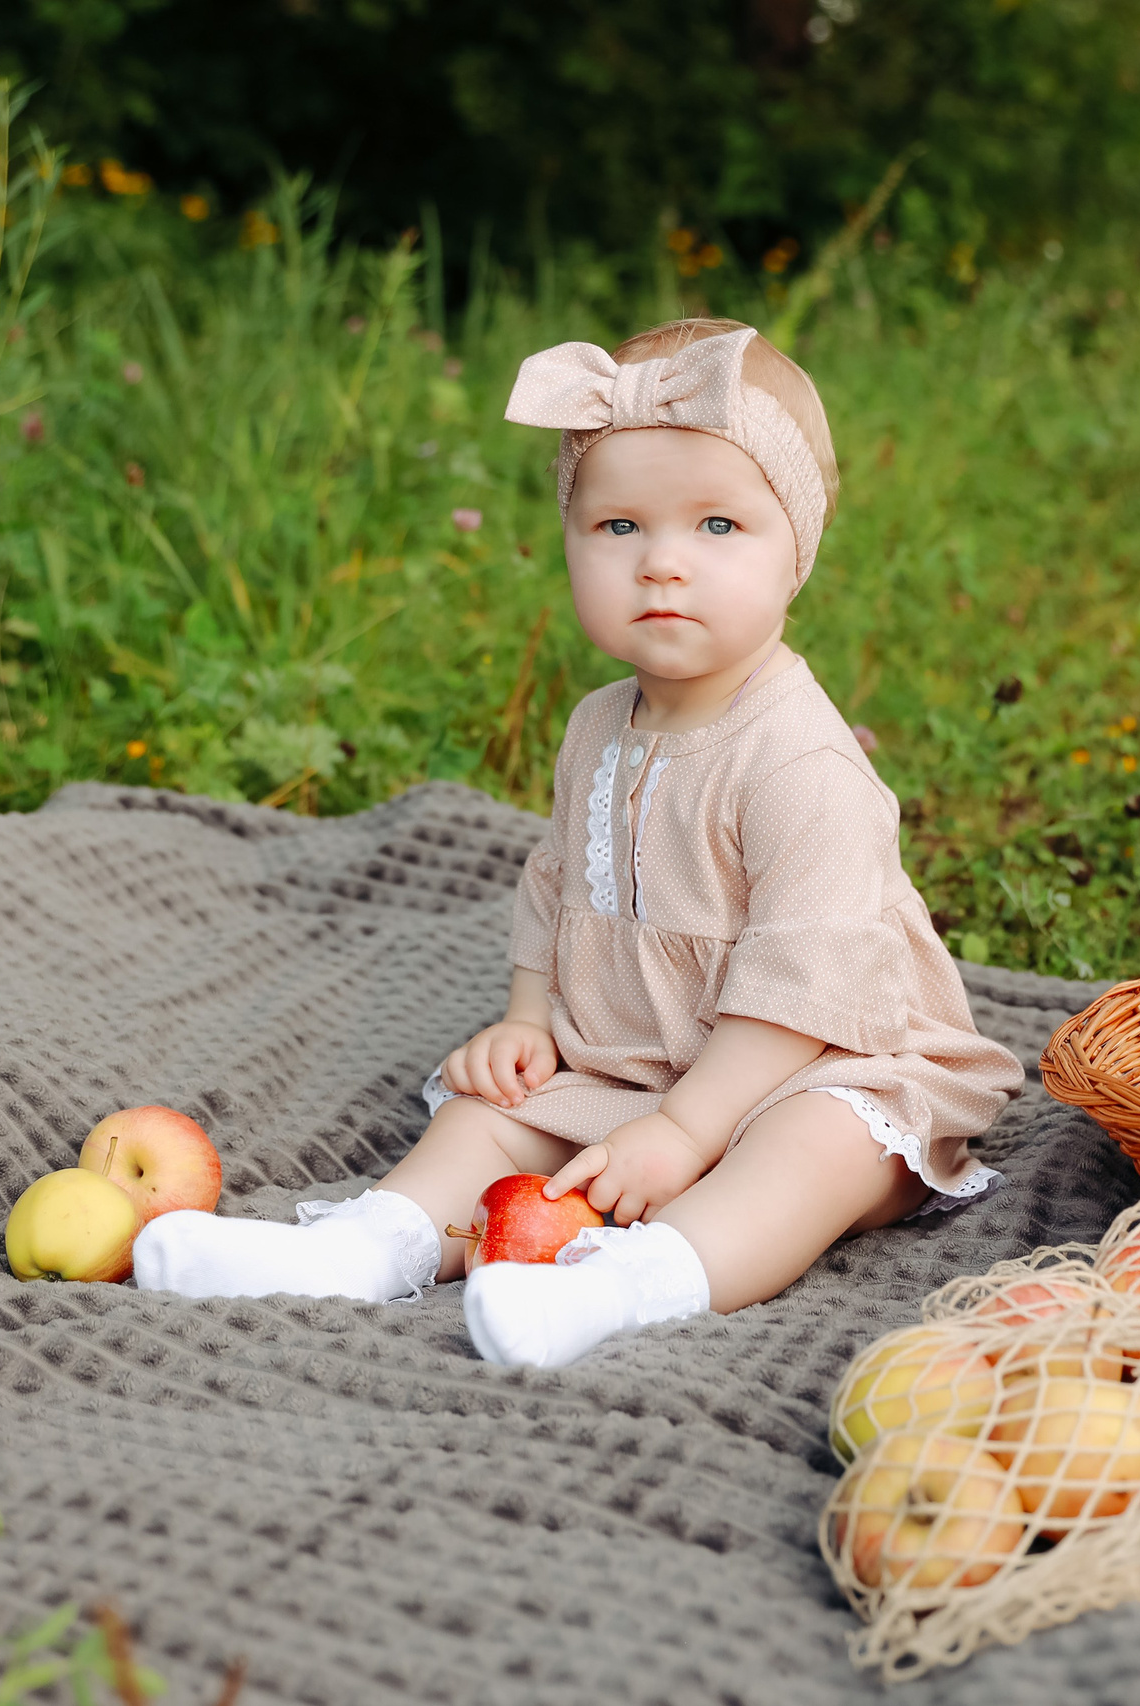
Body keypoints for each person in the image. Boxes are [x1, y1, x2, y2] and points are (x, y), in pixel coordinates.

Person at [133, 319, 1022, 1366]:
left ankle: (629, 1287)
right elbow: (556, 880)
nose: (662, 565)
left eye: (719, 526)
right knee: (485, 1116)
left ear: (797, 556)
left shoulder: (800, 764)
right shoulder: (598, 724)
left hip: (822, 1059)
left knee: (812, 1152)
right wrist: (528, 1019)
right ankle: (366, 1248)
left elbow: (804, 982)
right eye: (617, 527)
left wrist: (689, 1132)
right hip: (637, 1056)